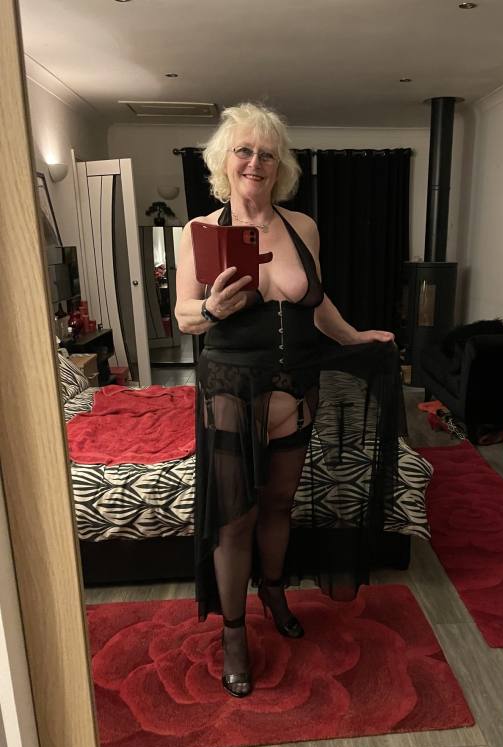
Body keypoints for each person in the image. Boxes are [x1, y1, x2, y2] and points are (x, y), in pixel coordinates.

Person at [176, 102, 400, 698]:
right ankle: (232, 633)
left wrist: (354, 337)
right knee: (235, 519)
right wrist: (209, 309)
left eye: (267, 154)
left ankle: (274, 592)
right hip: (231, 387)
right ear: (224, 161)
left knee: (279, 505)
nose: (256, 162)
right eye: (244, 151)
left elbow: (317, 304)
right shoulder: (201, 231)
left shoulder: (303, 228)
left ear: (281, 167)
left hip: (297, 384)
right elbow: (183, 316)